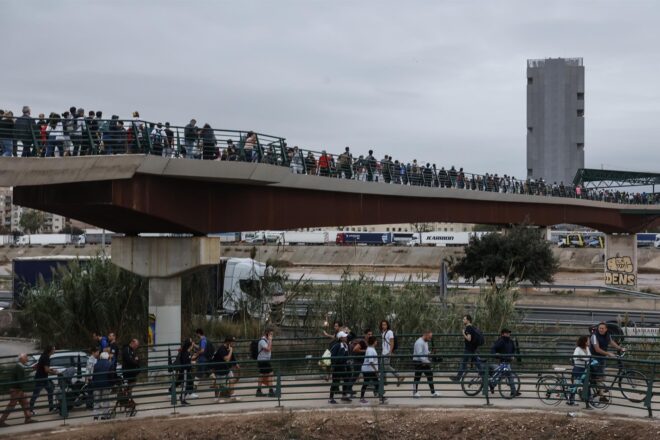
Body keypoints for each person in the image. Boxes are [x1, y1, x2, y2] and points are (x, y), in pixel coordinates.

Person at [590, 322, 625, 402]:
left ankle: (599, 390)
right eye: (600, 328)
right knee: (599, 377)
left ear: (606, 329)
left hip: (602, 358)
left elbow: (611, 342)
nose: (601, 330)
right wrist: (608, 353)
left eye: (602, 328)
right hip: (595, 358)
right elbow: (597, 349)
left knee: (601, 376)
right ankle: (601, 396)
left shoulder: (607, 335)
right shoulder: (594, 336)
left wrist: (620, 348)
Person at [0, 354, 35, 427]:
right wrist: (23, 390)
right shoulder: (19, 367)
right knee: (12, 405)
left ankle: (28, 418)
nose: (27, 359)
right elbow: (20, 380)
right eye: (25, 358)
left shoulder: (19, 366)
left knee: (25, 403)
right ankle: (1, 421)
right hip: (17, 389)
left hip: (17, 389)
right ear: (21, 359)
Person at [489, 328, 519, 397]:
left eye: (509, 332)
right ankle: (513, 392)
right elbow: (493, 348)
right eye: (506, 333)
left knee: (501, 376)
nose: (508, 334)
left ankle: (492, 384)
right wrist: (495, 354)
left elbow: (513, 350)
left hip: (508, 361)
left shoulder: (511, 341)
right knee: (509, 375)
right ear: (502, 334)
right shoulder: (501, 341)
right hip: (503, 361)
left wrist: (513, 356)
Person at [452, 314, 483, 382]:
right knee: (477, 362)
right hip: (472, 349)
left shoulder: (468, 328)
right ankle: (483, 375)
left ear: (468, 320)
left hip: (468, 349)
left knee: (463, 363)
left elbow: (469, 339)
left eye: (464, 319)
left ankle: (458, 378)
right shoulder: (472, 327)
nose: (463, 320)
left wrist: (463, 333)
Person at [29, 345, 56, 415]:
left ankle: (51, 407)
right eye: (53, 349)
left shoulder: (44, 355)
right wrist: (54, 372)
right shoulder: (46, 357)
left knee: (50, 390)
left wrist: (51, 369)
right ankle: (30, 409)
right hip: (41, 378)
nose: (54, 350)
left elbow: (43, 367)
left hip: (41, 377)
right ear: (50, 350)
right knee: (36, 394)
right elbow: (46, 370)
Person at [412, 330, 440, 398]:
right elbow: (419, 355)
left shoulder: (425, 341)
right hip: (418, 362)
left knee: (430, 375)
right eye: (429, 337)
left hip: (424, 361)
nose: (430, 339)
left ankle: (433, 392)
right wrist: (428, 362)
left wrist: (431, 353)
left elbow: (426, 352)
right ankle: (415, 392)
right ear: (425, 335)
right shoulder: (419, 342)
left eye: (431, 337)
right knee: (417, 377)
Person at [212, 336, 240, 401]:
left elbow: (232, 357)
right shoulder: (222, 348)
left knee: (231, 380)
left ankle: (232, 396)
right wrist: (231, 350)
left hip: (227, 368)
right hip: (219, 369)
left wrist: (236, 364)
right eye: (232, 342)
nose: (234, 344)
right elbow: (227, 359)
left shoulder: (229, 348)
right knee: (219, 384)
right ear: (228, 342)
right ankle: (216, 398)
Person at [359, 336, 386, 404]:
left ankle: (381, 397)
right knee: (371, 383)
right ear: (374, 342)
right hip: (369, 370)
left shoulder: (370, 349)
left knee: (373, 383)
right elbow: (371, 361)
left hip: (369, 369)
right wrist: (376, 370)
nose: (377, 342)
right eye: (376, 341)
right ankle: (381, 397)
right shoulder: (371, 350)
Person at [328, 331, 350, 404]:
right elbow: (333, 356)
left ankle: (344, 396)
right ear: (341, 338)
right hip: (337, 366)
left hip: (343, 366)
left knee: (346, 380)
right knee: (335, 382)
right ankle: (331, 398)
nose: (346, 337)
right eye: (344, 336)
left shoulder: (345, 345)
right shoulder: (337, 345)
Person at [380, 320, 404, 386]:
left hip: (387, 352)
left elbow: (392, 342)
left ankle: (398, 377)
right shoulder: (383, 332)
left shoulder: (389, 332)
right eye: (382, 325)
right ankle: (384, 380)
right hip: (384, 352)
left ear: (387, 325)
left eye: (385, 324)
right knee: (382, 366)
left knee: (386, 366)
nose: (383, 326)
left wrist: (390, 352)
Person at [568, 335, 591, 406]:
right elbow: (575, 357)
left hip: (585, 368)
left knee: (586, 384)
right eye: (588, 340)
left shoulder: (587, 348)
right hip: (578, 368)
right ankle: (571, 399)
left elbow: (589, 356)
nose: (589, 341)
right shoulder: (578, 349)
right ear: (584, 341)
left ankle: (588, 400)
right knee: (576, 384)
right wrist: (583, 359)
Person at [92, 352, 112, 420]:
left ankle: (95, 416)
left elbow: (93, 375)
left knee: (96, 401)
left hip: (97, 385)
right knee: (106, 400)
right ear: (107, 357)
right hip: (106, 385)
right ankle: (104, 416)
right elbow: (111, 375)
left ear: (100, 357)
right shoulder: (109, 364)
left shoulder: (96, 364)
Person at [256, 329, 275, 398]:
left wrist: (270, 340)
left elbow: (269, 349)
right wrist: (270, 340)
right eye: (270, 334)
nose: (271, 336)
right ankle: (271, 391)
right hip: (263, 360)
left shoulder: (266, 340)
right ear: (267, 334)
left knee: (262, 374)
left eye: (272, 334)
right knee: (270, 373)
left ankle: (259, 391)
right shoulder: (262, 341)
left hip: (264, 360)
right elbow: (268, 349)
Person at [179, 339, 196, 404]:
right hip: (185, 370)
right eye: (192, 345)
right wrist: (191, 363)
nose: (193, 346)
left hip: (187, 370)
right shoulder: (185, 353)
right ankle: (182, 399)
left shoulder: (187, 352)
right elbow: (186, 362)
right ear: (190, 346)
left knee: (190, 383)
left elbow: (188, 360)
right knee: (186, 384)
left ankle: (182, 396)